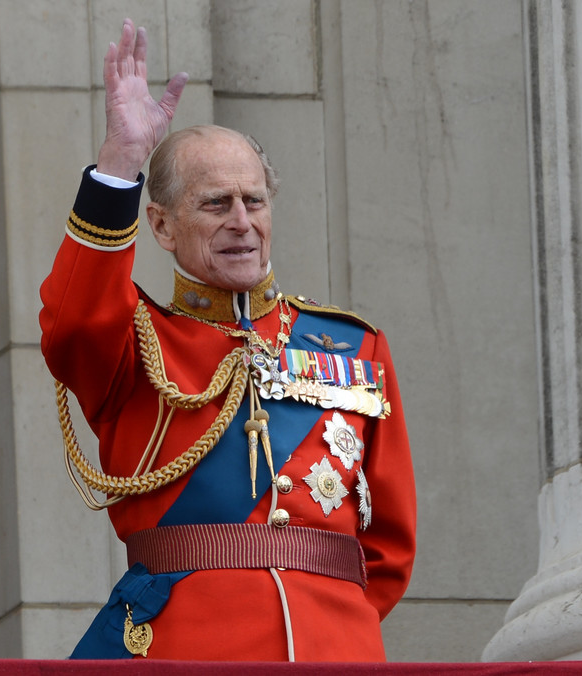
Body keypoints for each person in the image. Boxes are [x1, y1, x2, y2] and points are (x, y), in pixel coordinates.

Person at [39, 20, 415, 661]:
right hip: (189, 649)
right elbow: (73, 318)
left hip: (334, 646)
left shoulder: (354, 348)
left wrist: (332, 624)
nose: (243, 223)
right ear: (161, 224)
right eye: (216, 204)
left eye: (255, 201)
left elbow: (387, 548)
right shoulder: (134, 345)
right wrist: (120, 166)